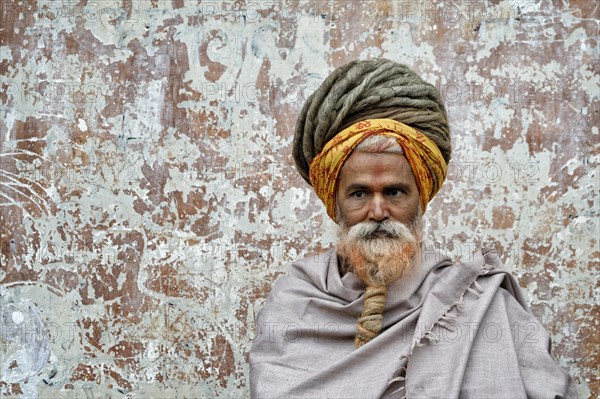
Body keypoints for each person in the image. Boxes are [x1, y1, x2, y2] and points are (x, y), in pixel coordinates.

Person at [248, 59, 578, 398]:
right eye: (359, 193)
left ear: (421, 199)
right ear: (335, 203)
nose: (377, 211)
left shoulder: (477, 303)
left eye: (394, 192)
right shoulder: (295, 303)